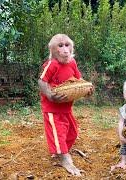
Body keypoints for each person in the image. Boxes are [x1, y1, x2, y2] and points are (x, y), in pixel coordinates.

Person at [38, 34, 92, 176]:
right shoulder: (52, 64)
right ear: (52, 50)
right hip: (52, 108)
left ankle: (60, 151)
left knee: (72, 133)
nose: (65, 50)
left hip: (66, 107)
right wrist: (49, 95)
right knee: (58, 133)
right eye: (60, 46)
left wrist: (87, 88)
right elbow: (42, 82)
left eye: (67, 45)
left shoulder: (72, 63)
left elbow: (78, 80)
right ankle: (64, 158)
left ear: (72, 47)